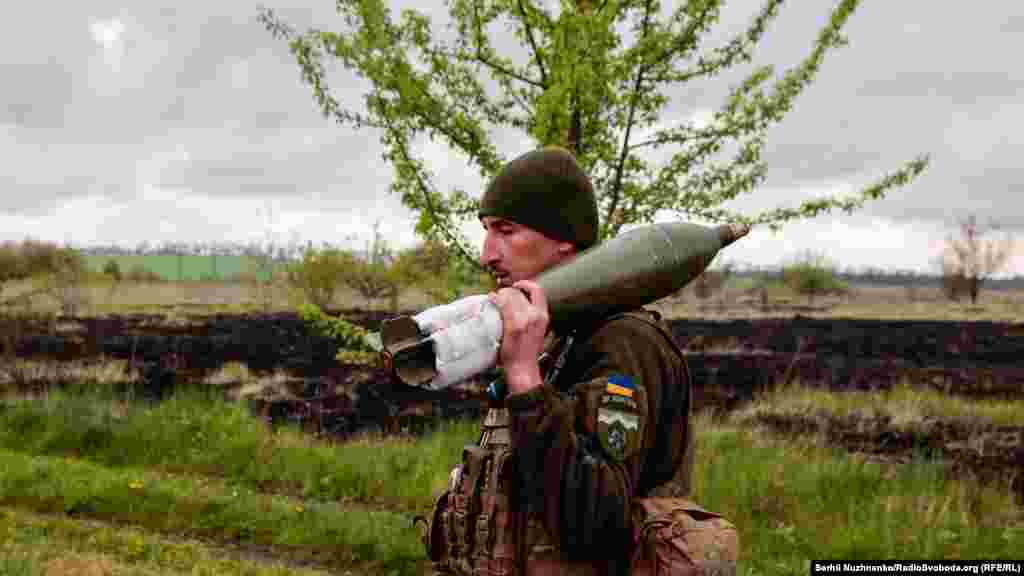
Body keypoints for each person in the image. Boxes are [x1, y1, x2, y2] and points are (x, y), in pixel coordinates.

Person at [424, 147, 694, 576]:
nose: (486, 253)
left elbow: (593, 523)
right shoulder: (556, 336)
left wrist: (524, 378)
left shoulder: (626, 343)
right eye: (486, 231)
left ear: (564, 239)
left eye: (505, 231)